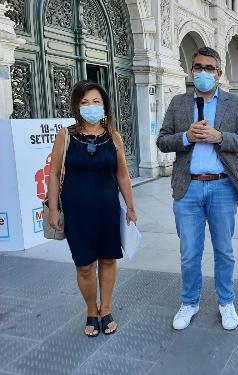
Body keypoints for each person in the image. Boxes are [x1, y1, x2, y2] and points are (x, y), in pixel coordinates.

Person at [156, 47, 238, 331]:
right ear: (191, 71)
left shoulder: (235, 104)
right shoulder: (178, 103)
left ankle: (226, 301)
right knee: (189, 252)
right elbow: (162, 141)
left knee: (224, 251)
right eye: (198, 67)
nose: (203, 73)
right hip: (188, 189)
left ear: (219, 73)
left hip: (222, 187)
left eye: (209, 68)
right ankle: (190, 302)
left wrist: (220, 136)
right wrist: (186, 137)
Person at [48, 80, 137, 337]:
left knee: (108, 259)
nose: (90, 106)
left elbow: (122, 176)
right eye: (85, 102)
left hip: (107, 209)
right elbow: (54, 174)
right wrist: (54, 209)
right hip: (77, 212)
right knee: (84, 265)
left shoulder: (114, 137)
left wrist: (130, 206)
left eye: (96, 101)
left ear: (104, 105)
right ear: (77, 105)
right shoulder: (66, 135)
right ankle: (91, 310)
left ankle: (106, 308)